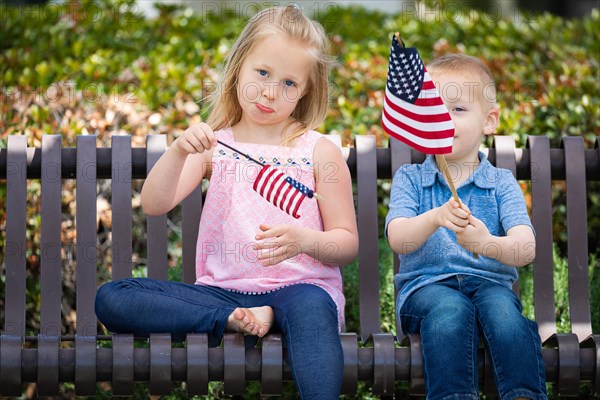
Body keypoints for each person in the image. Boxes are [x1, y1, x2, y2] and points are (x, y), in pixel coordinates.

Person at [95, 5, 358, 399]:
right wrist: (180, 151)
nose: (271, 92)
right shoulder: (216, 145)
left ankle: (268, 318)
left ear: (306, 90)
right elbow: (154, 203)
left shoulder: (318, 150)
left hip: (299, 287)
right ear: (239, 68)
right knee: (112, 297)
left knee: (313, 312)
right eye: (263, 73)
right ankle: (232, 320)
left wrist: (306, 241)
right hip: (222, 292)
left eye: (289, 83)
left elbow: (346, 243)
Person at [385, 53, 547, 400]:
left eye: (457, 110)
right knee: (451, 310)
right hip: (426, 290)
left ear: (489, 121)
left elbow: (525, 248)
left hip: (491, 286)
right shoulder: (411, 179)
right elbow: (398, 239)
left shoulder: (501, 183)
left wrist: (486, 242)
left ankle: (524, 394)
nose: (444, 119)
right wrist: (434, 218)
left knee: (505, 315)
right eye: (435, 111)